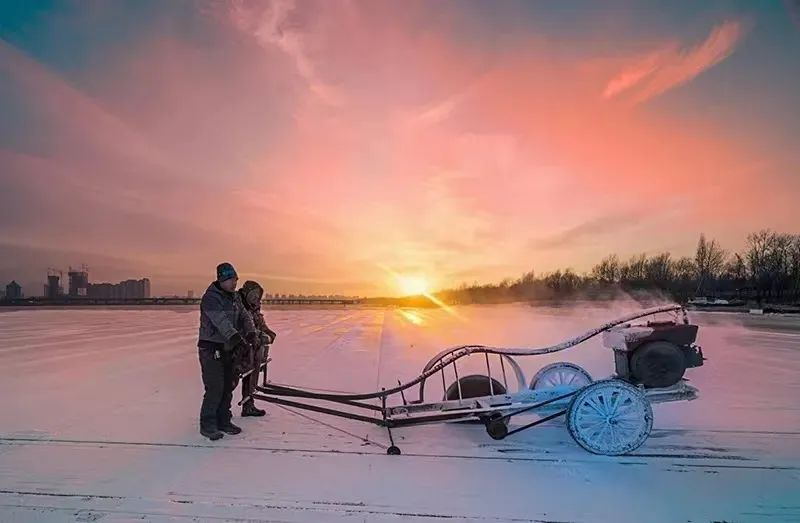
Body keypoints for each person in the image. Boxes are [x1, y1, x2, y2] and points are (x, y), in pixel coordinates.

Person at [197, 262, 256, 440]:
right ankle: (208, 424)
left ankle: (224, 420)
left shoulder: (235, 297)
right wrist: (235, 337)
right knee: (215, 387)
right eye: (231, 280)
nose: (234, 283)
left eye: (236, 279)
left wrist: (251, 331)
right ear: (221, 280)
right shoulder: (211, 298)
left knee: (227, 387)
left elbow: (245, 315)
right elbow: (220, 321)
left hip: (228, 348)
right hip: (211, 348)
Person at [237, 280, 277, 417]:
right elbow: (245, 329)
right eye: (253, 294)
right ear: (247, 293)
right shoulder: (240, 307)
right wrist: (260, 335)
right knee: (230, 384)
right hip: (241, 351)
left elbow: (261, 326)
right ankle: (222, 414)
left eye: (258, 295)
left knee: (251, 376)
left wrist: (269, 334)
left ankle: (249, 404)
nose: (256, 298)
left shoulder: (255, 309)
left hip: (254, 351)